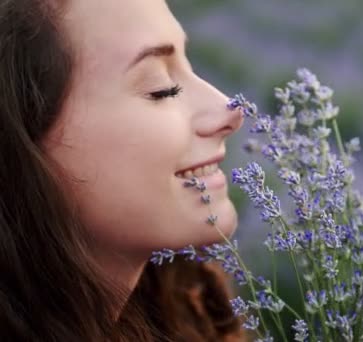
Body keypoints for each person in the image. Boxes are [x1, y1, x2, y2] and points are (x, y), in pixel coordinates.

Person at [0, 0, 245, 340]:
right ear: (18, 140)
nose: (228, 112)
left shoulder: (181, 315)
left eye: (190, 66)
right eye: (161, 88)